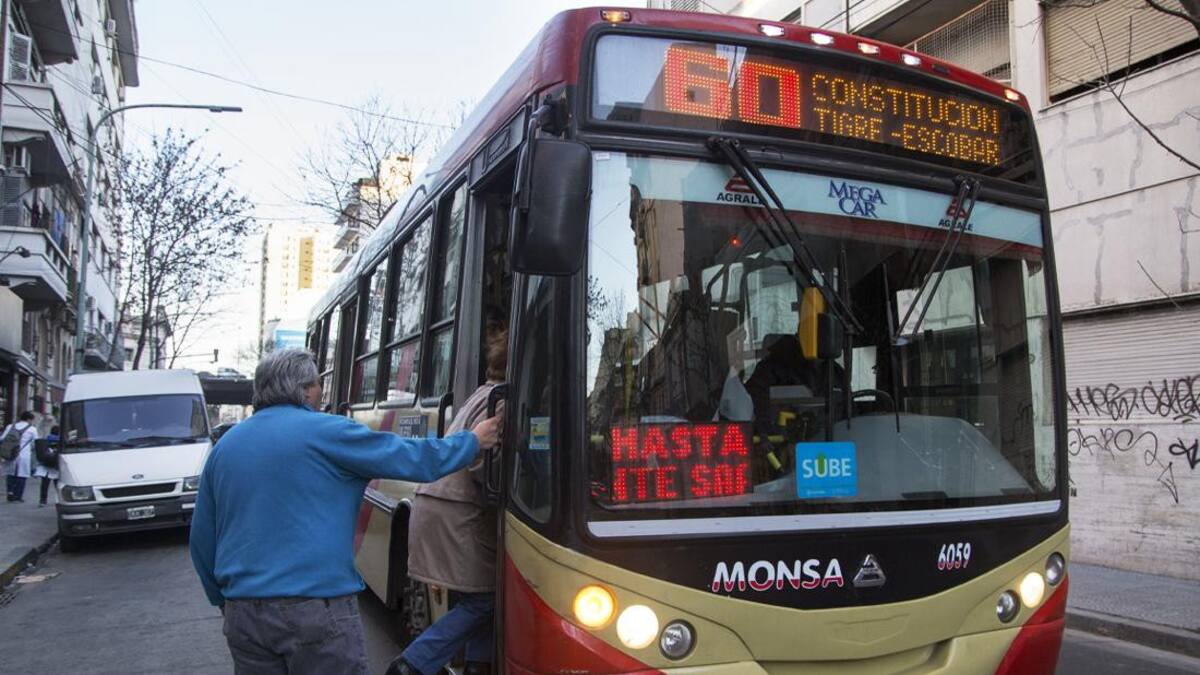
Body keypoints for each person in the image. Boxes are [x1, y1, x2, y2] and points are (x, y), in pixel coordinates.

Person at [188, 349, 503, 675]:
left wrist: (224, 601)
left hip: (244, 614)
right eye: (318, 384)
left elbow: (201, 541)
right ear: (304, 390)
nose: (320, 392)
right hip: (316, 608)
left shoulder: (226, 447)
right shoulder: (330, 433)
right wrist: (472, 441)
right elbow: (413, 458)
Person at [389, 325, 508, 675]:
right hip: (458, 513)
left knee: (481, 590)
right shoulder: (502, 401)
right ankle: (411, 664)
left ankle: (476, 667)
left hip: (438, 503)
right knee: (487, 599)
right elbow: (485, 467)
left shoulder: (483, 393)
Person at [2, 411, 37, 503]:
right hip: (23, 454)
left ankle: (10, 493)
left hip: (10, 452)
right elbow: (35, 442)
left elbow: (2, 438)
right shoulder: (32, 429)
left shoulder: (10, 426)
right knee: (22, 474)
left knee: (10, 473)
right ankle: (18, 496)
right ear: (29, 419)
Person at [35, 425, 60, 507]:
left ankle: (43, 500)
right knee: (58, 485)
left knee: (44, 485)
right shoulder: (61, 440)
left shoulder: (46, 440)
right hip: (56, 466)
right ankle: (59, 499)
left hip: (46, 466)